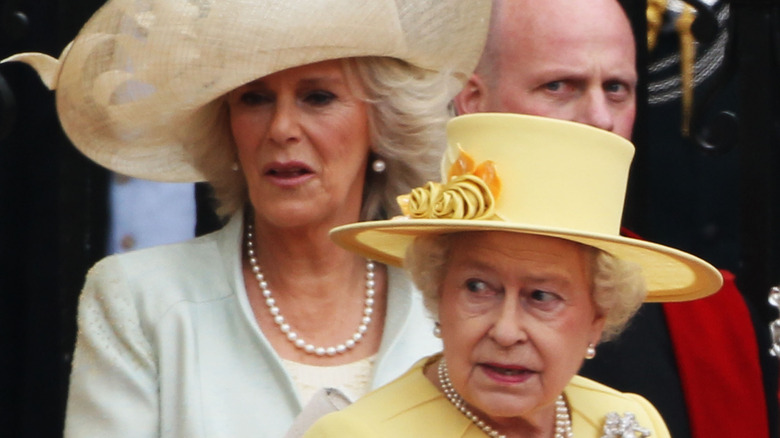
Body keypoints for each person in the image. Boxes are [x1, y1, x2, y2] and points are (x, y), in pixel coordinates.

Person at [1, 0, 491, 436]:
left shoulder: (451, 302)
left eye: (317, 97)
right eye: (254, 98)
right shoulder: (139, 300)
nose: (280, 128)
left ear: (382, 122)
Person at [452, 1, 776, 437]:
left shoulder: (710, 321)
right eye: (560, 86)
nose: (601, 119)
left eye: (617, 89)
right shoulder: (403, 293)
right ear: (473, 100)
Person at [303, 113, 723, 437]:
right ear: (438, 293)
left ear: (598, 317)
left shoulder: (629, 421)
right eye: (478, 287)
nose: (505, 332)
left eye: (541, 296)